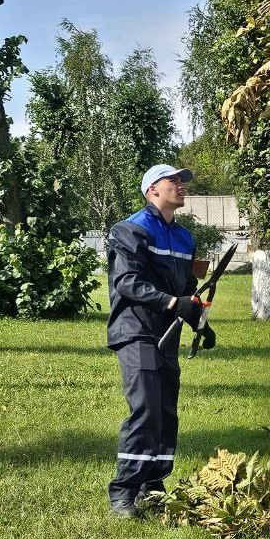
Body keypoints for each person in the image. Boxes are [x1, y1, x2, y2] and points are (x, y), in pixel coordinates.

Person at [107, 164, 205, 518]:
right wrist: (169, 302)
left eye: (182, 181)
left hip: (168, 334)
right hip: (135, 330)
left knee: (165, 411)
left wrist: (196, 314)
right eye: (173, 181)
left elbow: (186, 289)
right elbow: (127, 282)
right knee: (146, 409)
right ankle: (124, 490)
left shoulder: (183, 238)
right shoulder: (131, 229)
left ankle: (153, 485)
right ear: (152, 190)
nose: (180, 186)